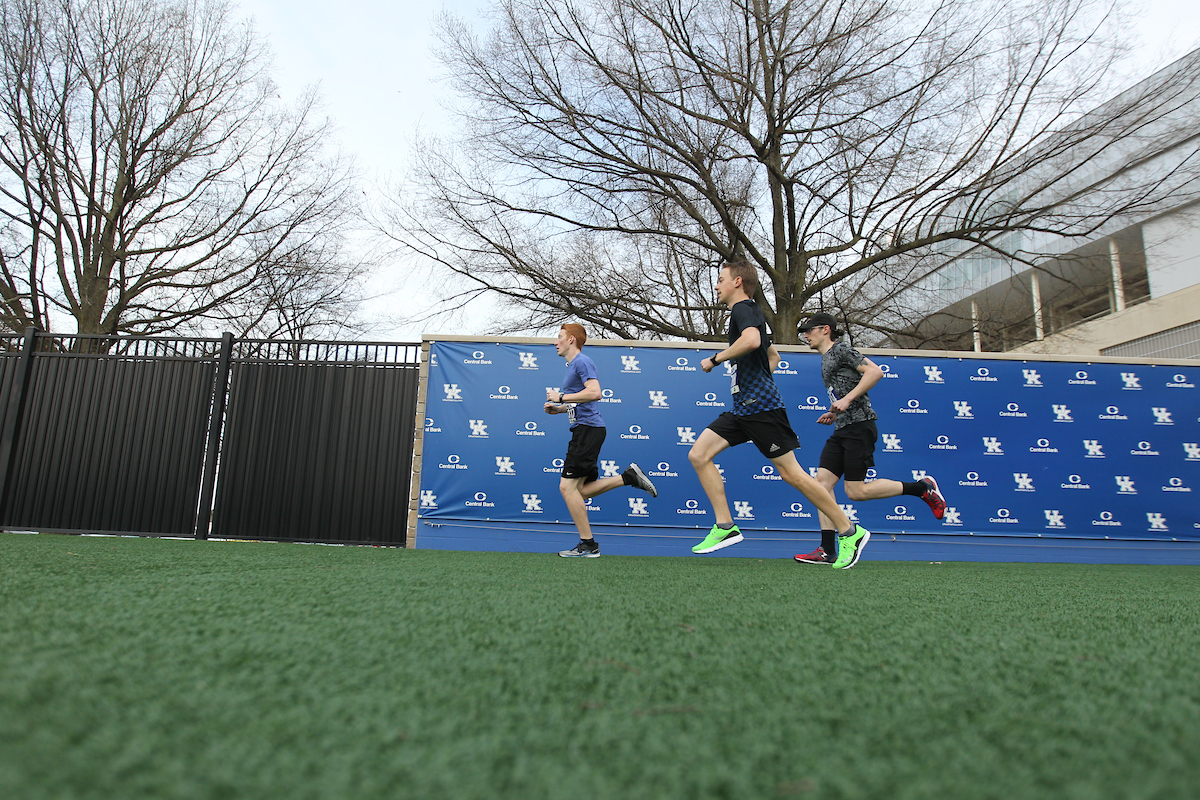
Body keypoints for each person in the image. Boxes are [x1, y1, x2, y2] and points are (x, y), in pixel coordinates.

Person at [689, 263, 872, 569]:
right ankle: (725, 527)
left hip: (760, 408)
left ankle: (849, 531)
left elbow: (752, 342)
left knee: (792, 474)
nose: (716, 286)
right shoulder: (750, 314)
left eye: (720, 280)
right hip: (745, 407)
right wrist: (757, 380)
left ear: (737, 282)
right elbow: (772, 356)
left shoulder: (743, 309)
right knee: (699, 454)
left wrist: (716, 359)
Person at [794, 312, 947, 565]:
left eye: (808, 330)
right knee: (820, 485)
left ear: (825, 330)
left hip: (860, 427)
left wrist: (847, 399)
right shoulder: (825, 359)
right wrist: (834, 411)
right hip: (842, 428)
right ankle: (827, 550)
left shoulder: (841, 350)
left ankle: (922, 488)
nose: (805, 335)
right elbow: (841, 392)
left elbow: (875, 372)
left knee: (856, 492)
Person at [545, 323, 658, 557]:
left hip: (588, 430)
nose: (556, 342)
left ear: (572, 340)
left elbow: (595, 393)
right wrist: (559, 409)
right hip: (584, 429)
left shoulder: (582, 361)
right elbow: (582, 402)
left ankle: (588, 545)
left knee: (567, 488)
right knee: (580, 491)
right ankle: (628, 477)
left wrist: (561, 396)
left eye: (559, 337)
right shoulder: (572, 365)